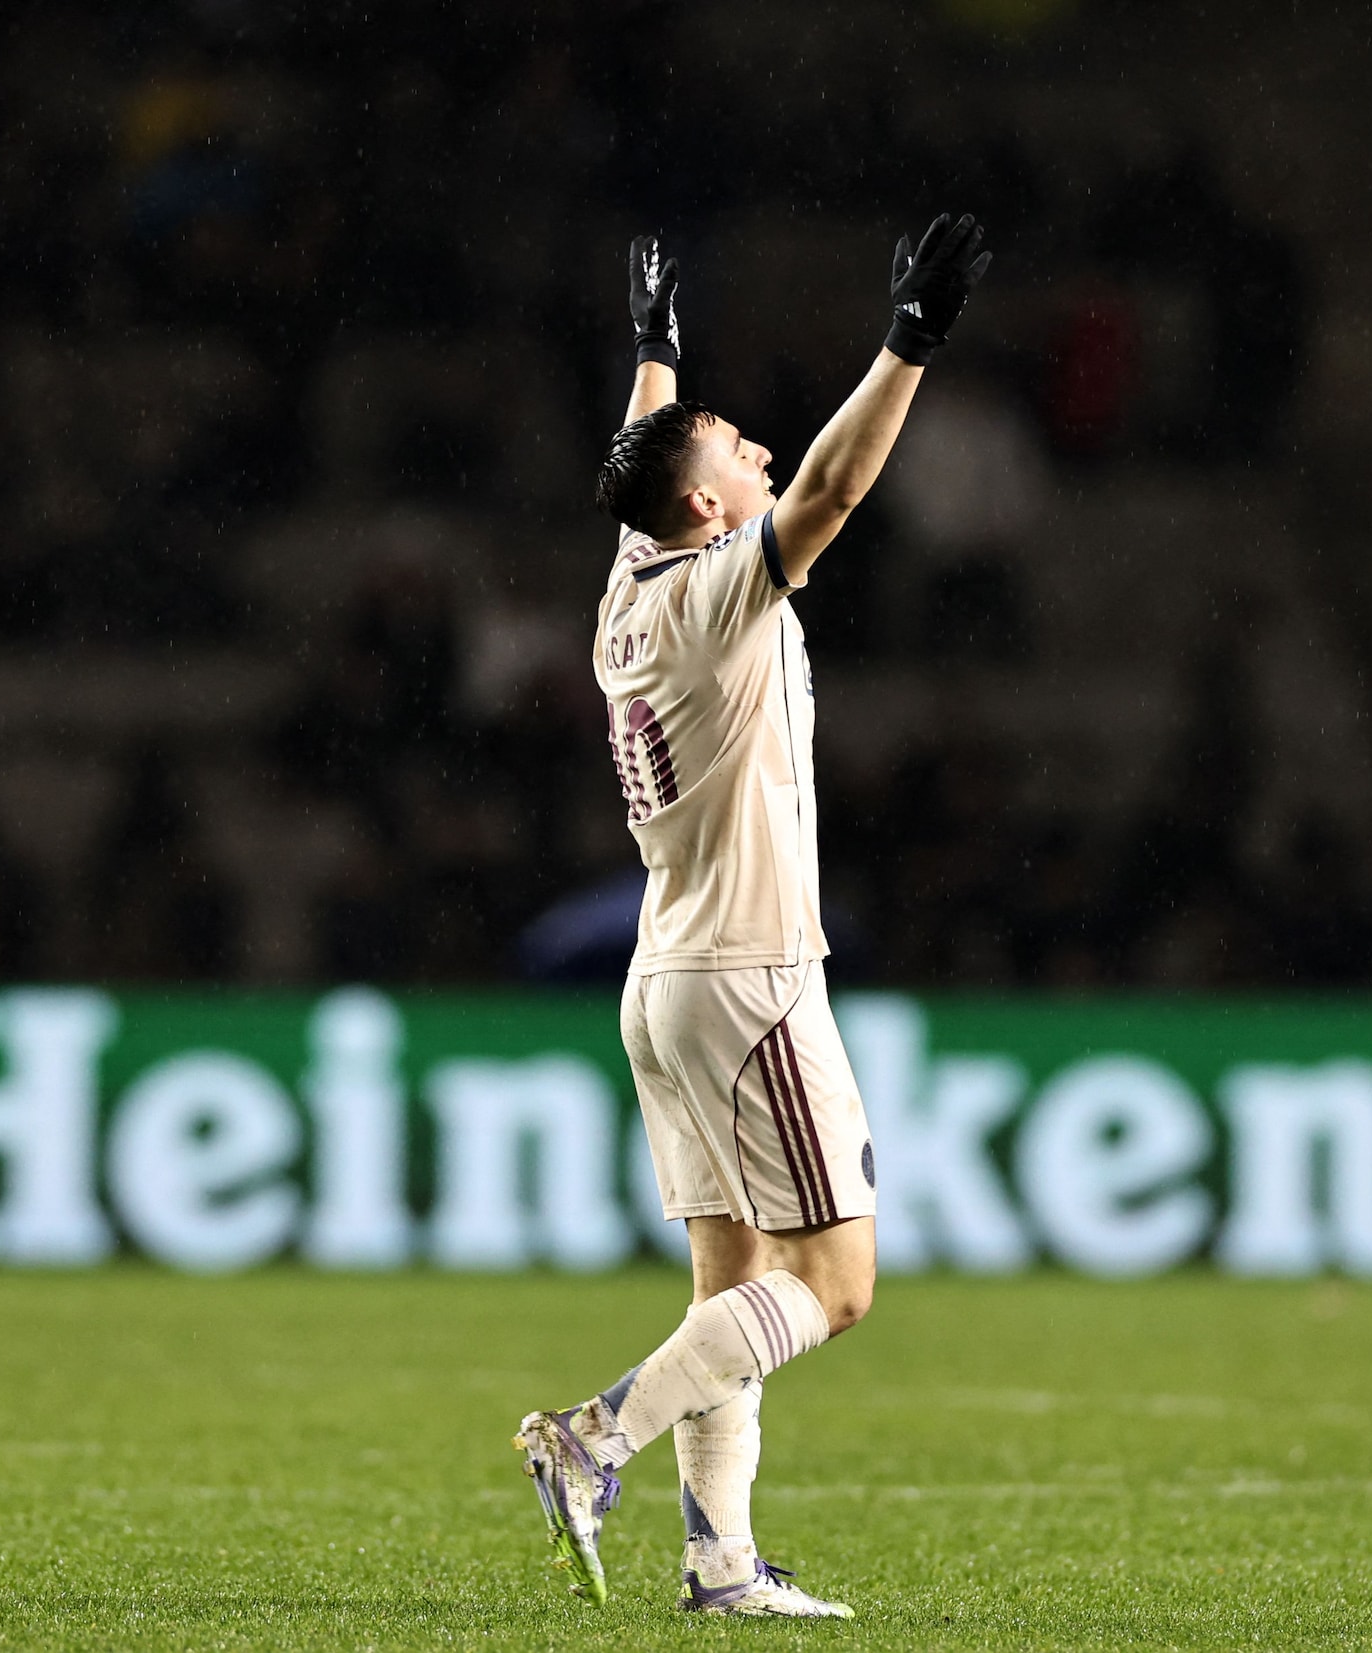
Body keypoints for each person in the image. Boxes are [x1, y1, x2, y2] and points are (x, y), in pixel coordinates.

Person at [513, 216, 993, 1618]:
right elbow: (836, 488)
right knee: (835, 1287)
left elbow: (642, 475)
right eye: (736, 448)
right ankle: (593, 1436)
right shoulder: (722, 591)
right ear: (713, 513)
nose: (761, 452)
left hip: (669, 975)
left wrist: (657, 356)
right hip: (750, 975)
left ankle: (720, 1559)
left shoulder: (630, 585)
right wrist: (909, 340)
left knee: (732, 1285)